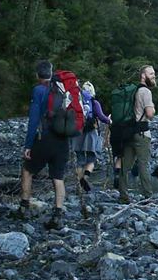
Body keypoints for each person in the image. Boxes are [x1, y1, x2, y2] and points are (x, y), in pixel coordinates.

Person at [19, 60, 69, 229]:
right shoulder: (63, 90)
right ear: (51, 72)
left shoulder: (39, 90)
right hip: (63, 139)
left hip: (46, 137)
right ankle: (58, 214)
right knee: (58, 177)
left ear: (37, 75)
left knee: (27, 170)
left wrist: (28, 145)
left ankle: (24, 208)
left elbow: (34, 120)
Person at [117, 65, 157, 203]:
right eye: (151, 74)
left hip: (129, 132)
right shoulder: (145, 91)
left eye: (154, 74)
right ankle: (148, 195)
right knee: (143, 165)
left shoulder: (133, 90)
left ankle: (123, 195)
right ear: (143, 75)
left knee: (125, 166)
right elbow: (150, 114)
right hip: (142, 134)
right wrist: (153, 110)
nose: (153, 76)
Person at [73, 81, 110, 193]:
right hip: (90, 133)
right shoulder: (94, 102)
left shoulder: (76, 101)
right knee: (92, 158)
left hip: (77, 132)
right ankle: (86, 177)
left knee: (80, 159)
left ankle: (79, 187)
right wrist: (110, 120)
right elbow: (102, 117)